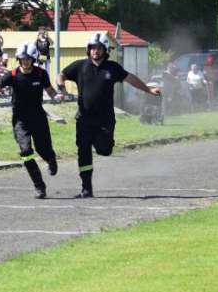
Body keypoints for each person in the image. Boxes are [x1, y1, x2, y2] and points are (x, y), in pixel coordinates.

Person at [57, 32, 160, 198]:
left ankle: (101, 143)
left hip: (105, 119)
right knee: (83, 151)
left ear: (105, 50)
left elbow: (131, 78)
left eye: (99, 48)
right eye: (92, 48)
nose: (95, 51)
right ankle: (86, 188)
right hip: (84, 119)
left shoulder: (112, 68)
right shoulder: (80, 66)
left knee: (104, 150)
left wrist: (148, 89)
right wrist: (62, 90)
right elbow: (61, 75)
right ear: (88, 49)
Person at [0, 41, 59, 199]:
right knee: (26, 152)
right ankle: (39, 186)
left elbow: (50, 90)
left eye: (28, 59)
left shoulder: (40, 74)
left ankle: (51, 159)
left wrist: (56, 96)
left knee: (43, 149)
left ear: (33, 59)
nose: (25, 61)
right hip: (20, 119)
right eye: (22, 59)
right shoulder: (13, 75)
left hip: (38, 117)